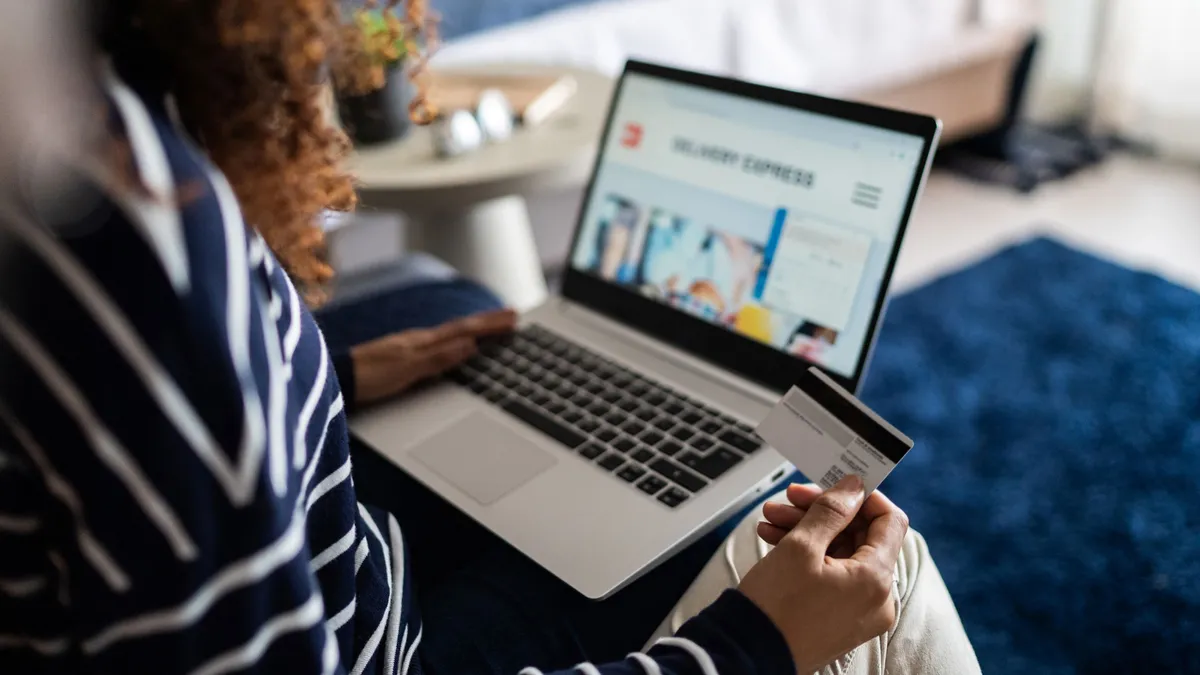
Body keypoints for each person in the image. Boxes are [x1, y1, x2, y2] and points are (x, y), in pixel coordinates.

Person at [0, 1, 982, 674]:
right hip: (394, 647)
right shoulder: (128, 227)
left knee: (457, 307)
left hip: (336, 553)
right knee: (854, 542)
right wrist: (751, 645)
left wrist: (321, 381)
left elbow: (139, 453)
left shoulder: (82, 142)